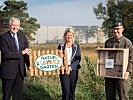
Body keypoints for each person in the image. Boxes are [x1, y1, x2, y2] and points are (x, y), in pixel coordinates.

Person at [0, 17, 31, 100]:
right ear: (10, 25)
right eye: (13, 25)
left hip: (20, 72)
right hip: (8, 72)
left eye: (17, 25)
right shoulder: (3, 38)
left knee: (18, 96)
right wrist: (22, 52)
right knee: (6, 96)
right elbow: (6, 54)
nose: (15, 27)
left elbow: (26, 53)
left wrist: (29, 65)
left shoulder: (22, 37)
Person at [104, 21, 133, 100]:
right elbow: (105, 57)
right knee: (109, 96)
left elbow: (131, 58)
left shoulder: (127, 43)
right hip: (109, 74)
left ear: (122, 29)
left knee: (123, 96)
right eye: (114, 29)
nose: (115, 31)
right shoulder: (108, 42)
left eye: (118, 29)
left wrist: (128, 71)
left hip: (122, 74)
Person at [57, 28, 81, 100]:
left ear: (73, 36)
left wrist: (70, 67)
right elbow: (58, 58)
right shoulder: (61, 46)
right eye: (67, 35)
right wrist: (64, 66)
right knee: (66, 91)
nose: (69, 37)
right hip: (63, 70)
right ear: (65, 36)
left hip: (73, 70)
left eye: (71, 35)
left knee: (72, 91)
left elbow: (78, 59)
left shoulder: (77, 46)